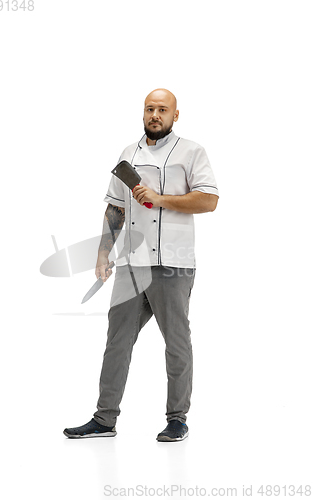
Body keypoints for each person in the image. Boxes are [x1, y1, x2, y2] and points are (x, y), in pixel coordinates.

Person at [63, 89, 219, 442]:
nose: (155, 115)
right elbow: (116, 207)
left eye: (163, 109)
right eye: (150, 108)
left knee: (177, 342)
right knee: (117, 341)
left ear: (175, 116)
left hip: (173, 263)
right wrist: (104, 253)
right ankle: (104, 419)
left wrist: (159, 198)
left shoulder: (192, 152)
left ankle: (177, 419)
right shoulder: (128, 154)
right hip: (132, 264)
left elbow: (209, 200)